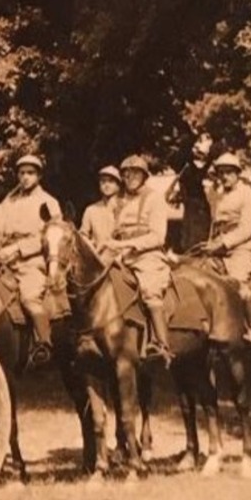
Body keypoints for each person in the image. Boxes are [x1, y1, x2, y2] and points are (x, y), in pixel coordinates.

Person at [0, 153, 62, 366]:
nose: (25, 177)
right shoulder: (9, 201)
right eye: (22, 173)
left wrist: (17, 250)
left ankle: (44, 344)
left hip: (31, 262)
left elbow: (50, 237)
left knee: (29, 297)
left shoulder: (49, 202)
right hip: (4, 261)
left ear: (39, 176)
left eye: (30, 173)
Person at [105, 154, 171, 362]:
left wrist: (126, 245)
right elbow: (111, 233)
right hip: (120, 256)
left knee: (150, 290)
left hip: (147, 256)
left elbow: (158, 236)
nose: (130, 177)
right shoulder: (116, 201)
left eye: (135, 173)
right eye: (126, 173)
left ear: (144, 176)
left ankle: (161, 343)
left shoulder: (155, 198)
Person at [206, 151, 251, 346]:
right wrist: (210, 243)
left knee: (237, 282)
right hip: (218, 247)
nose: (224, 177)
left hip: (243, 247)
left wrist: (223, 243)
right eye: (221, 173)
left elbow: (246, 229)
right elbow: (214, 224)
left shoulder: (249, 195)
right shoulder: (216, 195)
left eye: (229, 172)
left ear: (238, 173)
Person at [165, 131, 215, 254]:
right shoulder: (187, 166)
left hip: (198, 205)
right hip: (191, 204)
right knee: (189, 235)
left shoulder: (191, 167)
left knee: (195, 236)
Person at [79, 165, 122, 251]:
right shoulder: (91, 210)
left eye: (111, 181)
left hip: (122, 258)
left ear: (118, 185)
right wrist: (89, 244)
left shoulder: (126, 208)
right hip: (98, 257)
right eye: (103, 181)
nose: (106, 185)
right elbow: (83, 234)